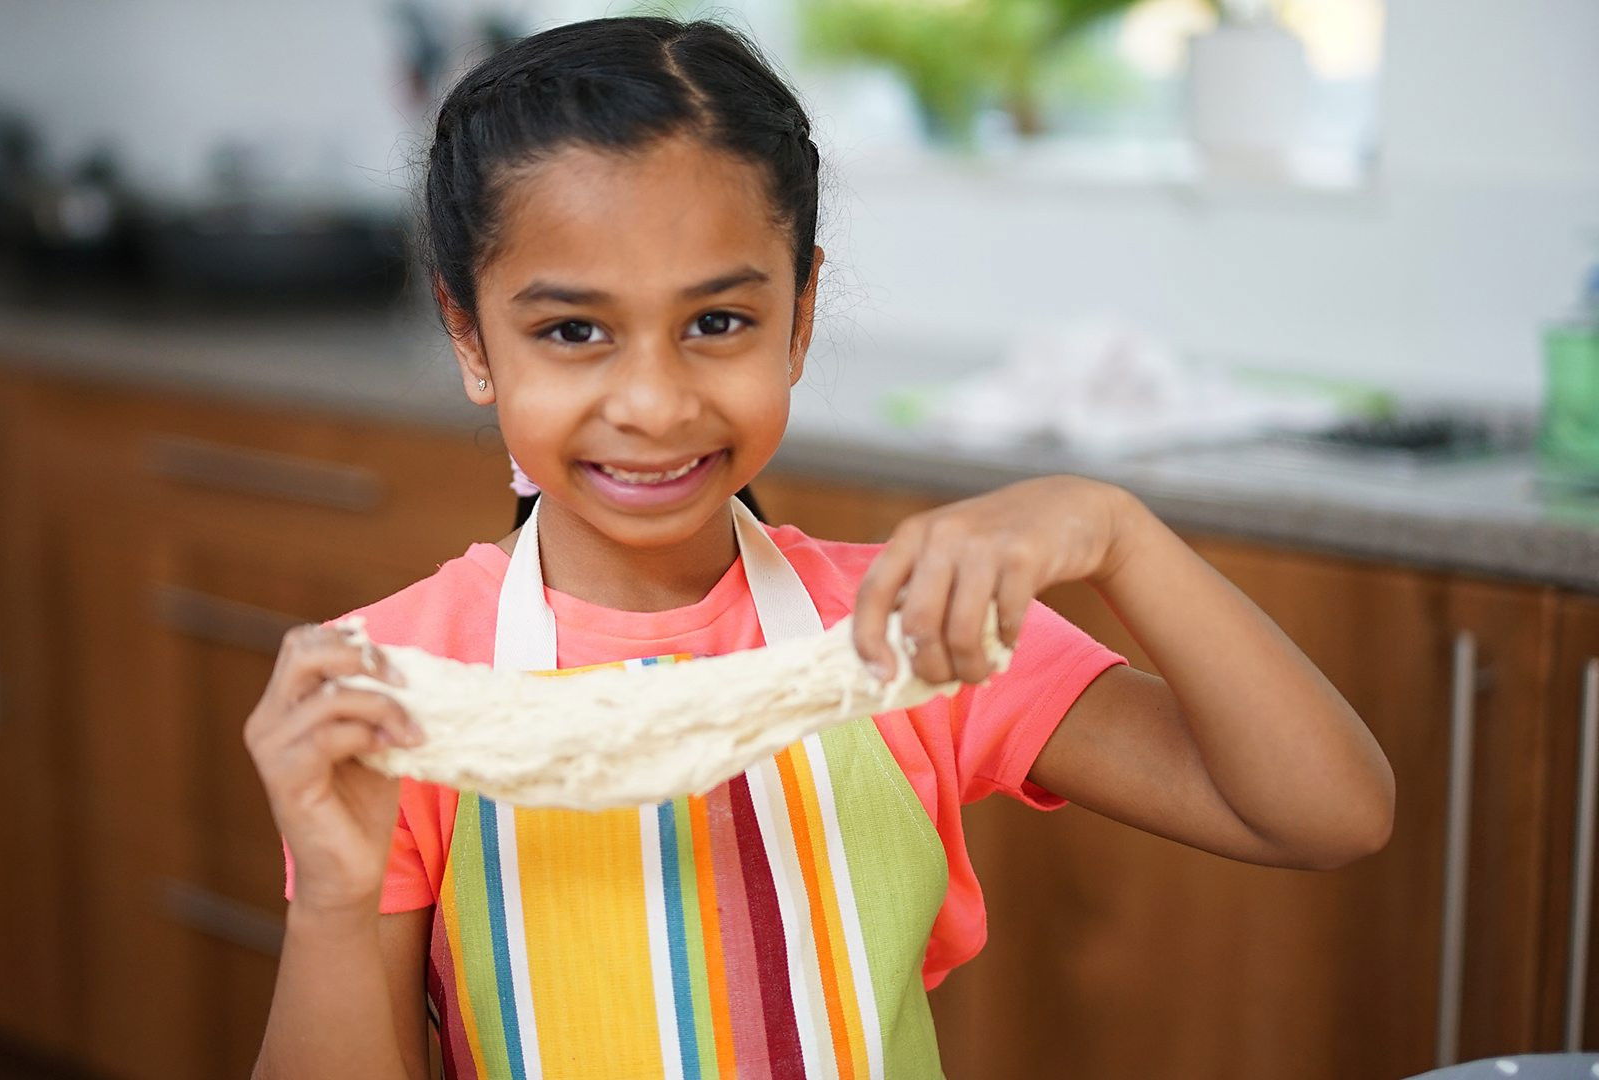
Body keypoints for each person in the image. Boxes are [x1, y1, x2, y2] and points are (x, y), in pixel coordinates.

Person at [245, 15, 1394, 1079]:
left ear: (798, 320)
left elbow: (1326, 816)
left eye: (717, 322)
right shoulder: (399, 685)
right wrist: (335, 900)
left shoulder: (908, 631)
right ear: (471, 339)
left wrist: (1116, 531)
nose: (653, 402)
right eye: (574, 330)